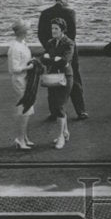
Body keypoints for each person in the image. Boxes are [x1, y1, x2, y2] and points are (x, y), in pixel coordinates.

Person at [38, 0, 87, 120]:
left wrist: (50, 49)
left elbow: (41, 34)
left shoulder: (45, 13)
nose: (69, 0)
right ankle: (80, 110)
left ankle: (54, 111)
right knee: (74, 78)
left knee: (52, 80)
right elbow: (72, 34)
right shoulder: (70, 12)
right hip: (69, 53)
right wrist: (64, 51)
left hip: (51, 52)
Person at [42, 17, 75, 150]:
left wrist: (51, 59)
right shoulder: (50, 42)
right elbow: (43, 58)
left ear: (62, 30)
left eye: (56, 29)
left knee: (60, 106)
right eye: (52, 29)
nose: (53, 31)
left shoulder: (69, 42)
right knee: (56, 106)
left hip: (65, 77)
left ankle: (60, 136)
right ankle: (65, 133)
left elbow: (66, 60)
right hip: (52, 77)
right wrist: (53, 59)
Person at [7, 18, 36, 149]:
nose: (29, 31)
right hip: (19, 80)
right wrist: (28, 67)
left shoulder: (22, 43)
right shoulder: (15, 48)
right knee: (25, 108)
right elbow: (14, 69)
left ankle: (24, 137)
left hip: (25, 79)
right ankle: (20, 138)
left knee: (27, 107)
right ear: (22, 31)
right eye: (27, 29)